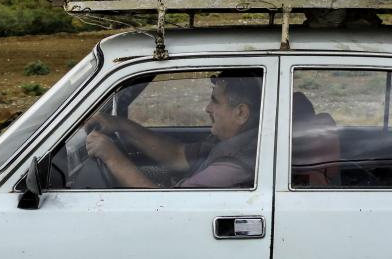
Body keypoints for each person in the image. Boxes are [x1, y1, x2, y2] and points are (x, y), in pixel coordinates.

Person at [85, 70, 262, 188]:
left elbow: (161, 205)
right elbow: (177, 155)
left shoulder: (238, 165)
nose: (207, 108)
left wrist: (112, 157)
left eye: (215, 101)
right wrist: (121, 125)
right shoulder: (230, 140)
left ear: (241, 113)